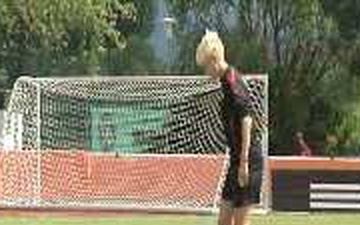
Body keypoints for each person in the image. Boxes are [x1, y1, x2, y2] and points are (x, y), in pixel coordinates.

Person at [196, 30, 264, 225]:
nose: (205, 72)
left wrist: (244, 163)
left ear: (214, 60)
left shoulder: (232, 81)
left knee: (240, 222)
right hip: (236, 160)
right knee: (224, 221)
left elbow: (247, 120)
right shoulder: (224, 83)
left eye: (205, 66)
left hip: (248, 158)